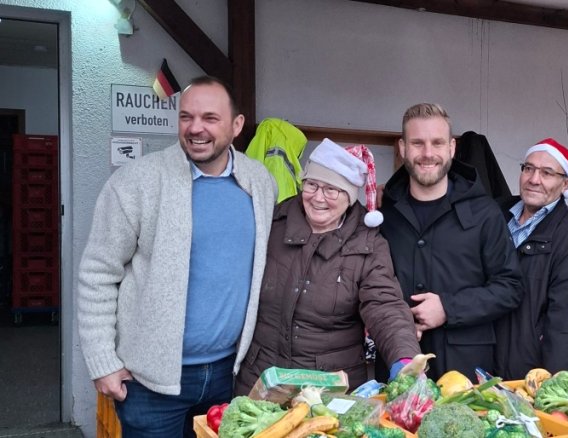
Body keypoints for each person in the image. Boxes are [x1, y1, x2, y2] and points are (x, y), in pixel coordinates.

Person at [77, 75, 277, 436]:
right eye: (186, 117)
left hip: (229, 376)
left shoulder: (259, 181)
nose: (195, 128)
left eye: (209, 119)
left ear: (237, 125)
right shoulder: (136, 182)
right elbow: (97, 273)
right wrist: (102, 361)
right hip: (149, 384)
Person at [235, 139, 421, 393]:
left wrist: (405, 359)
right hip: (262, 380)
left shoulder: (368, 244)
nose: (318, 197)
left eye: (332, 189)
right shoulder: (273, 223)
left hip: (328, 391)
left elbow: (384, 305)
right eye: (312, 184)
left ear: (349, 196)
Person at [379, 103, 523, 380]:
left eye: (437, 143)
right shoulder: (386, 214)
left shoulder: (485, 212)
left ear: (452, 148)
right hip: (399, 364)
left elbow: (511, 287)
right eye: (417, 143)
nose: (428, 153)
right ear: (402, 147)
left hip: (466, 368)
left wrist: (448, 307)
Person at [494, 138, 568, 380]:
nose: (534, 179)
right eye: (528, 168)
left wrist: (552, 384)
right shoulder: (494, 215)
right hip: (480, 357)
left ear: (565, 183)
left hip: (527, 370)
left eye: (547, 173)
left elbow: (564, 322)